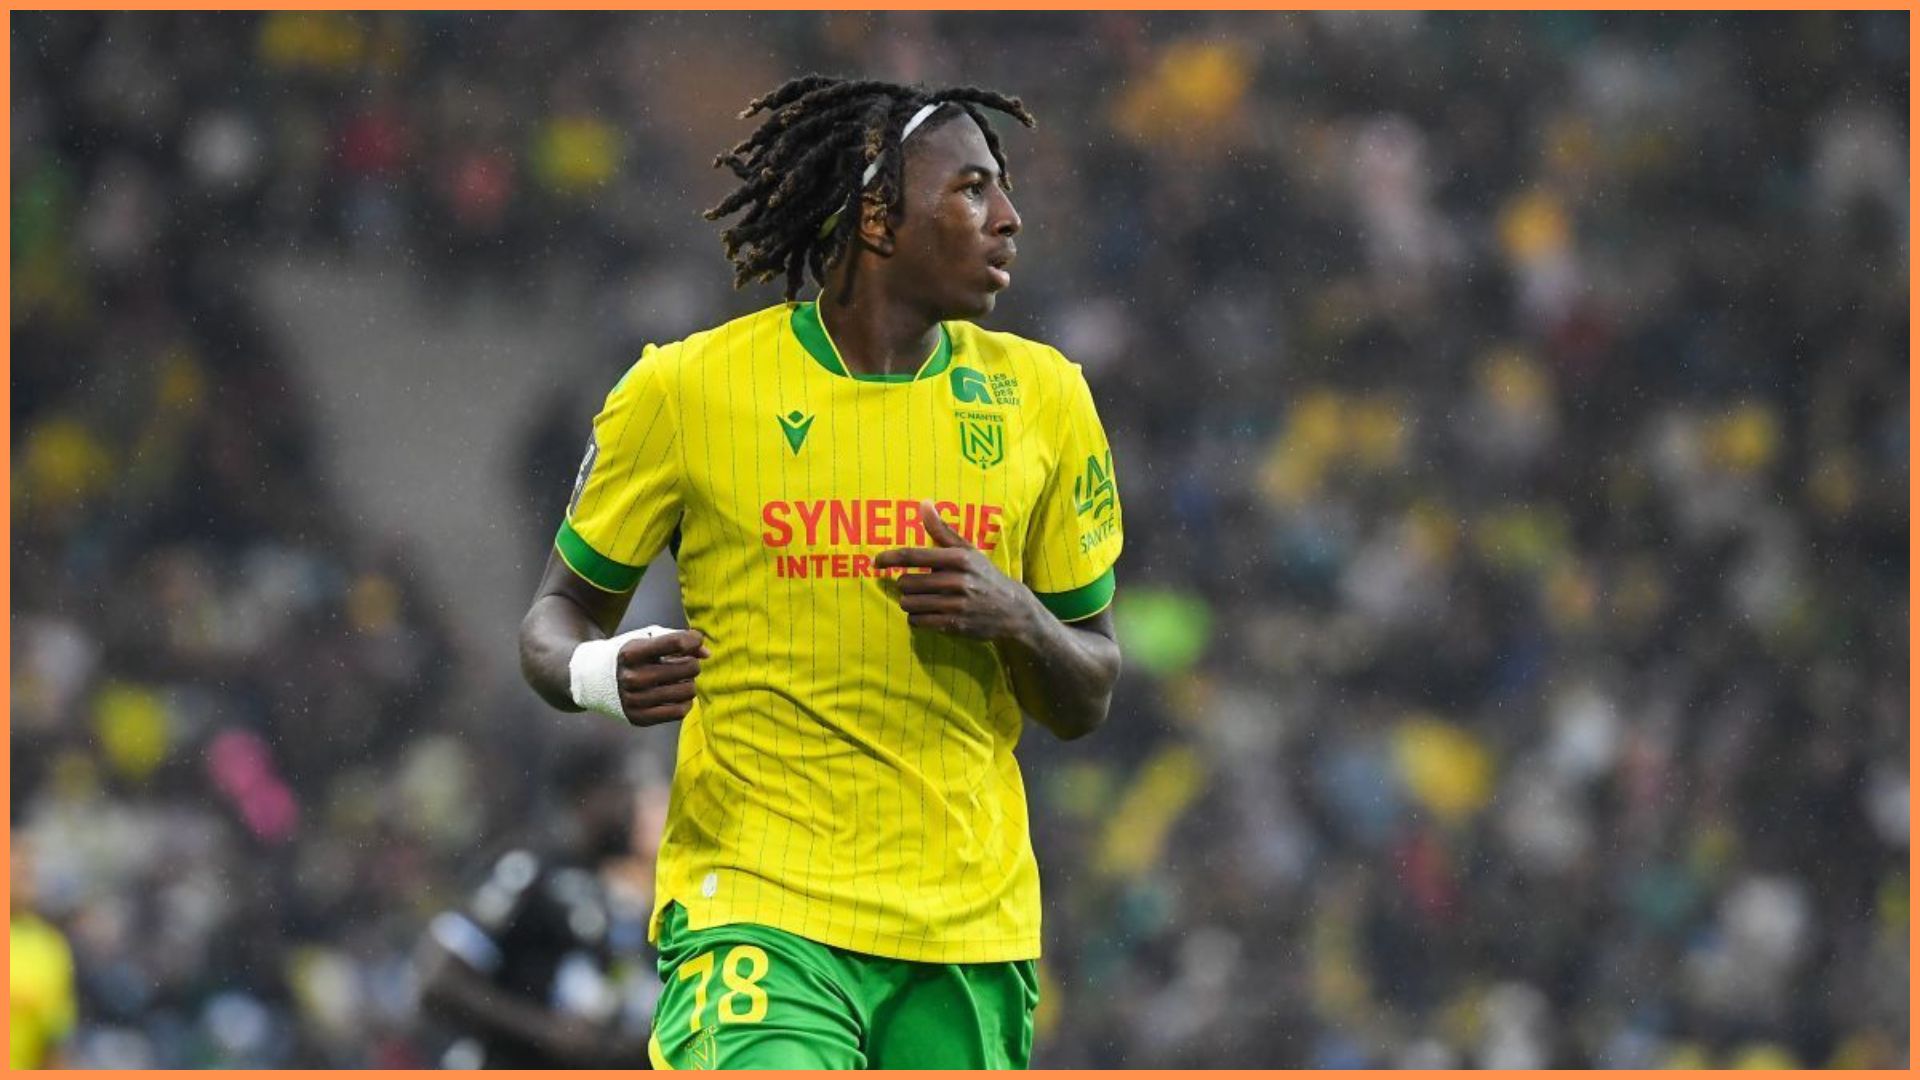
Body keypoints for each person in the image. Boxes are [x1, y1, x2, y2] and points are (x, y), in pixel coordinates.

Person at [518, 75, 1125, 1070]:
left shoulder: (1044, 400)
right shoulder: (685, 391)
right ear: (878, 217)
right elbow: (554, 618)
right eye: (972, 189)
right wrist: (599, 674)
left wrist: (1018, 615)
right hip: (759, 910)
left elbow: (1089, 691)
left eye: (1003, 190)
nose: (1009, 219)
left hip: (966, 933)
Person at [415, 741, 657, 1069]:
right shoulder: (530, 870)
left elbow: (620, 1001)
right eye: (624, 792)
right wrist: (544, 1032)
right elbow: (441, 981)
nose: (633, 809)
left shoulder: (624, 902)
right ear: (586, 796)